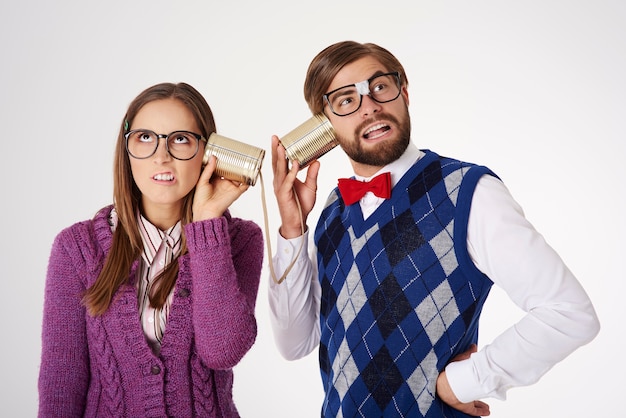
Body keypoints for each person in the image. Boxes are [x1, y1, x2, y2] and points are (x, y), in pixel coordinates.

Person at [268, 41, 600, 417]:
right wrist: (293, 229)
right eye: (347, 100)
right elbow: (294, 343)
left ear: (404, 93)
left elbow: (570, 312)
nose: (370, 106)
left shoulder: (468, 192)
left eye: (380, 87)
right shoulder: (331, 210)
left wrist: (463, 382)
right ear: (325, 125)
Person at [38, 82, 264, 417]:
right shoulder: (76, 250)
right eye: (145, 138)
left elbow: (222, 351)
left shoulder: (240, 240)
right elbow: (61, 387)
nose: (162, 156)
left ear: (208, 151)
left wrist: (206, 226)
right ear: (126, 149)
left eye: (181, 139)